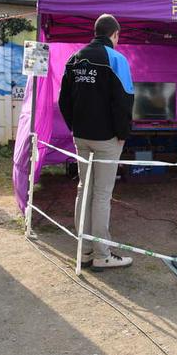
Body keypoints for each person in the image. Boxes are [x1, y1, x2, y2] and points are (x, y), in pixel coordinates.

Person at [58, 14, 134, 271]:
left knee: (83, 190)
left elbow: (63, 101)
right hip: (107, 139)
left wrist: (74, 127)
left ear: (95, 32)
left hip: (81, 136)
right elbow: (124, 102)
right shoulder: (116, 59)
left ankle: (84, 250)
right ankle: (102, 253)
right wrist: (123, 134)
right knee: (102, 196)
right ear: (115, 35)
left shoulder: (74, 59)